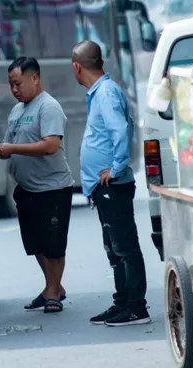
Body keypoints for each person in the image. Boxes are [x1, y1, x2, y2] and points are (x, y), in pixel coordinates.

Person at [0, 57, 73, 314]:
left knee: (54, 245)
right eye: (10, 85)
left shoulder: (49, 107)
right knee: (36, 243)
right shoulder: (16, 111)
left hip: (53, 187)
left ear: (35, 78)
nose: (14, 90)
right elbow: (9, 146)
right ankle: (53, 287)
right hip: (27, 188)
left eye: (18, 84)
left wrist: (11, 148)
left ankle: (53, 293)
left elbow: (50, 145)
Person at [71, 40, 149, 327]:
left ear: (77, 67)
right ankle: (122, 303)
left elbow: (121, 131)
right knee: (114, 249)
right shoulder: (100, 91)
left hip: (113, 185)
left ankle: (136, 307)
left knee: (125, 248)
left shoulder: (105, 92)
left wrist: (115, 169)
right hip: (103, 187)